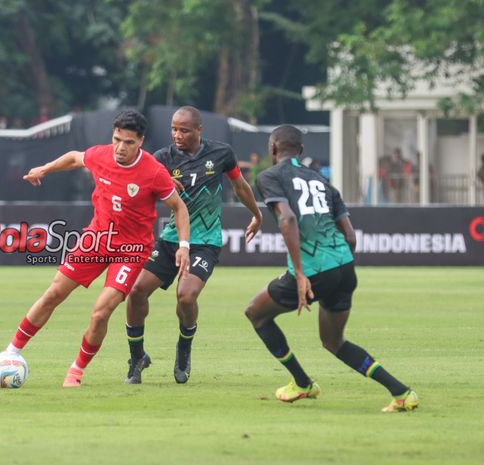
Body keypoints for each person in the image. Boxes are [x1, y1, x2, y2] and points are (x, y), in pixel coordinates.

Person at [0, 110, 191, 387]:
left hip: (131, 249)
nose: (120, 148)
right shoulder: (101, 155)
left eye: (128, 142)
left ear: (140, 141)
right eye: (116, 140)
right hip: (97, 239)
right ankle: (9, 353)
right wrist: (45, 169)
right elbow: (75, 157)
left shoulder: (153, 172)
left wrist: (183, 245)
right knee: (54, 292)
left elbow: (179, 207)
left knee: (101, 311)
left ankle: (76, 371)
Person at [245, 125, 418, 412]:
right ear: (300, 151)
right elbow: (350, 236)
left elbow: (286, 218)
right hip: (344, 266)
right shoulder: (324, 183)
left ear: (272, 149)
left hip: (311, 272)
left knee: (256, 313)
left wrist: (300, 273)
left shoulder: (269, 177)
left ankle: (302, 383)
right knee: (333, 341)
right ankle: (401, 392)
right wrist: (338, 270)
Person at [124, 106, 263, 384]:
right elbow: (138, 190)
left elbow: (239, 186)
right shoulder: (162, 158)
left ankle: (184, 347)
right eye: (174, 129)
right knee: (137, 291)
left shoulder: (221, 154)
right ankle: (137, 358)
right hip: (170, 240)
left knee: (186, 296)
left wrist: (257, 214)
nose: (177, 135)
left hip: (205, 243)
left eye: (184, 130)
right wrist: (159, 187)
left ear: (199, 130)